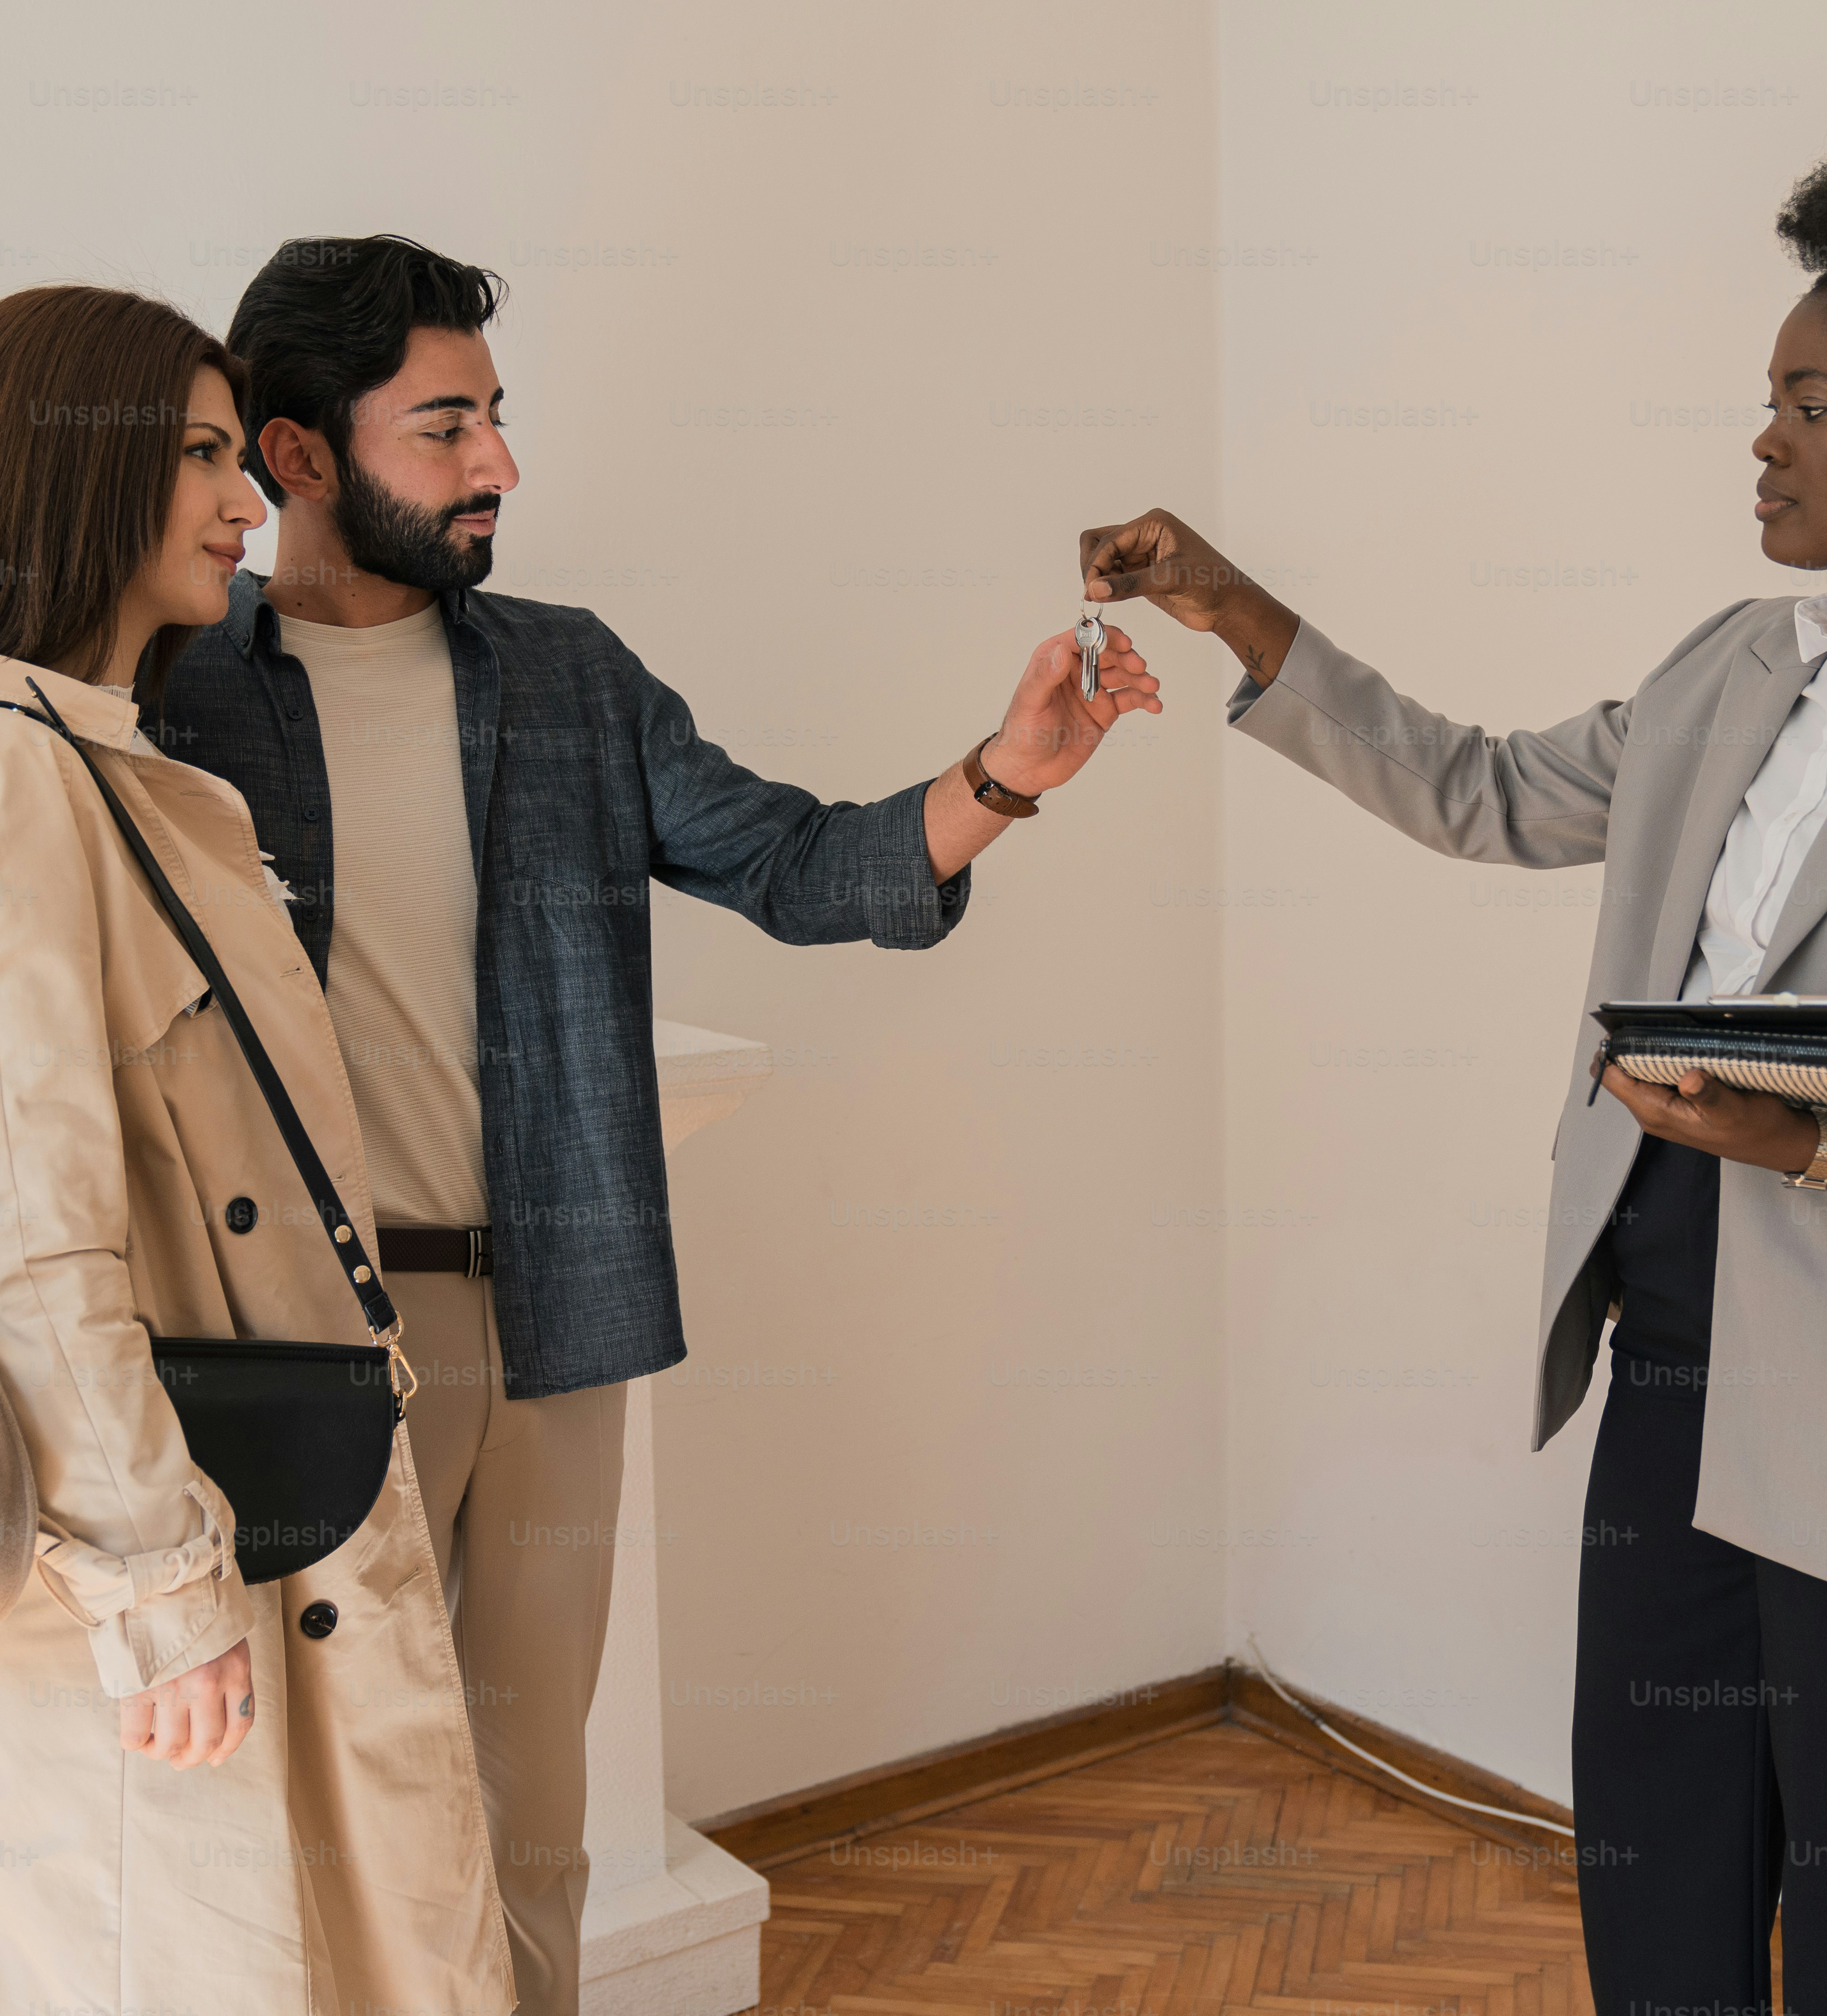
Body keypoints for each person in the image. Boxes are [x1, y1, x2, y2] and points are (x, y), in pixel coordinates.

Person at [1080, 129, 1827, 2011]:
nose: (1765, 441)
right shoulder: (1727, 670)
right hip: (1673, 1347)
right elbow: (1479, 789)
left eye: (1810, 402)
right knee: (1664, 1878)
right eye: (1767, 402)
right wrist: (1237, 607)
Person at [148, 233, 1159, 2016]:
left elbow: (788, 856)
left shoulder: (568, 675)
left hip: (554, 1330)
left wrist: (1005, 773)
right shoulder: (171, 696)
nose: (499, 469)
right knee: (304, 1830)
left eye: (496, 419)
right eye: (446, 425)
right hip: (289, 1344)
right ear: (297, 455)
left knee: (533, 1823)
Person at [0, 285, 516, 2014]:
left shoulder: (61, 762)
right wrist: (158, 1591)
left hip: (185, 1525)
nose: (245, 503)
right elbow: (20, 1232)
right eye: (201, 455)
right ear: (64, 477)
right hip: (135, 1565)